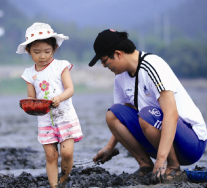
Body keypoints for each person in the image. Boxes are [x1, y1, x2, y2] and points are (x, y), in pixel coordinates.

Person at [89, 29, 207, 183]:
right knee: (113, 114)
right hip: (159, 136)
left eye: (104, 60)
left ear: (118, 54)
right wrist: (110, 146)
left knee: (146, 115)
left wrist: (161, 157)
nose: (104, 65)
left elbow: (171, 113)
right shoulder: (120, 77)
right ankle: (145, 166)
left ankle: (173, 167)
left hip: (191, 142)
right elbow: (124, 117)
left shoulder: (153, 65)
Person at [17, 22, 83, 188]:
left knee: (66, 153)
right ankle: (54, 186)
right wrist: (27, 105)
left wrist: (59, 98)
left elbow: (70, 89)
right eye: (36, 52)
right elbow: (31, 97)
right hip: (45, 120)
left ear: (54, 48)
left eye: (47, 51)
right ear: (28, 51)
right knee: (51, 156)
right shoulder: (29, 74)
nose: (42, 56)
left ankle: (64, 179)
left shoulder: (61, 66)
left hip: (65, 116)